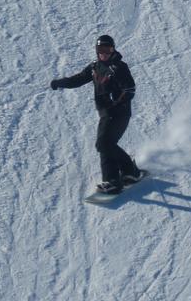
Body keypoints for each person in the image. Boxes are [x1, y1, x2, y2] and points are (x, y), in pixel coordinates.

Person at [50, 34, 142, 194]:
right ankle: (130, 171)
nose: (104, 53)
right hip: (106, 114)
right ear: (97, 50)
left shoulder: (119, 67)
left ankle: (113, 181)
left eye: (108, 49)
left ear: (113, 50)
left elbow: (130, 89)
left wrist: (117, 103)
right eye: (101, 50)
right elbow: (77, 79)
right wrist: (60, 83)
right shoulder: (95, 67)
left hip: (119, 113)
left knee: (104, 144)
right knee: (106, 145)